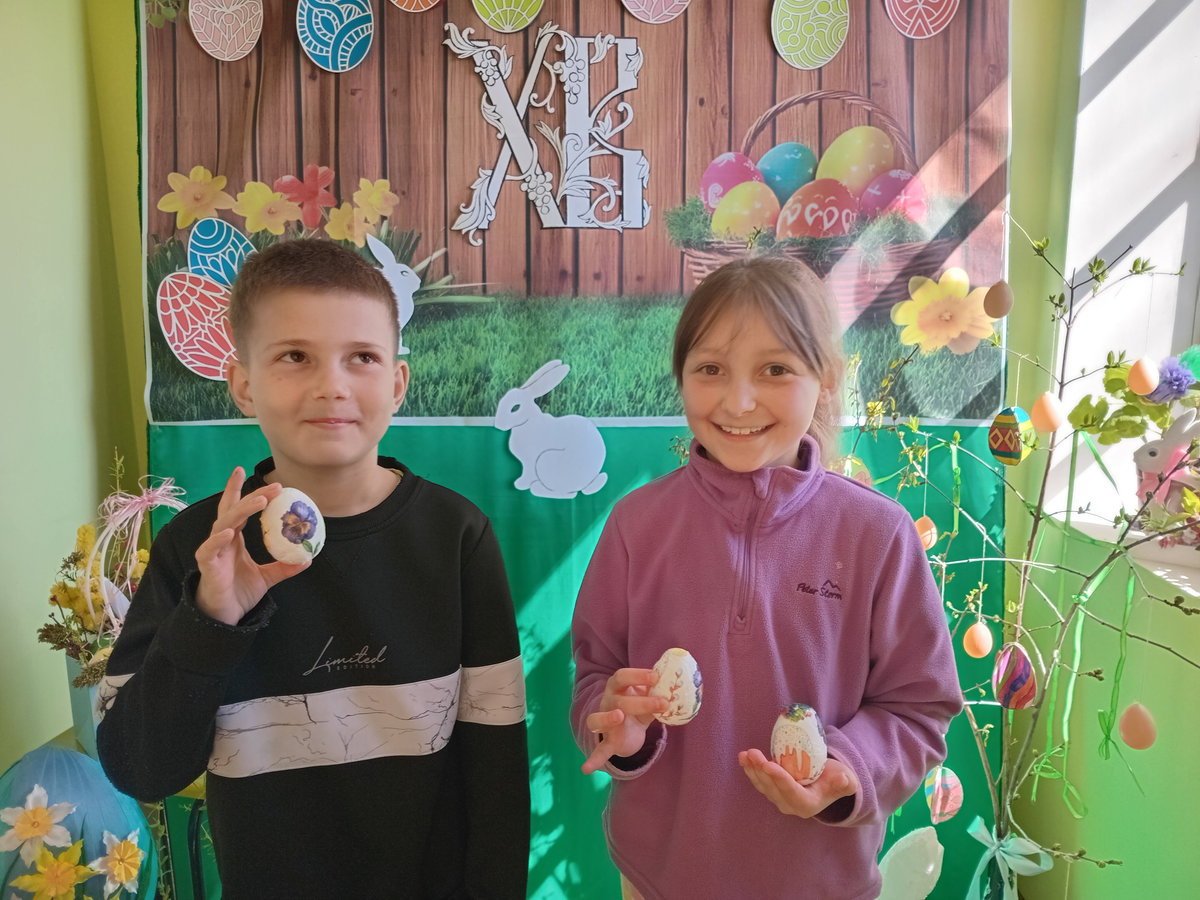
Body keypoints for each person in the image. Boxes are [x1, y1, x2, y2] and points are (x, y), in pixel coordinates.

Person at [97, 238, 530, 898]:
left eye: (362, 357)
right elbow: (140, 768)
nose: (332, 385)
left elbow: (496, 766)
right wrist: (210, 620)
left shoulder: (456, 536)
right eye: (295, 356)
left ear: (397, 384)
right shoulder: (198, 549)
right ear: (243, 385)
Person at [570, 257, 963, 900]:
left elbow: (919, 708)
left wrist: (848, 769)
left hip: (821, 882)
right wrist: (616, 724)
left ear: (826, 379)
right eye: (710, 369)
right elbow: (596, 674)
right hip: (657, 876)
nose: (739, 401)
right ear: (681, 376)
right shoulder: (636, 525)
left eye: (775, 369)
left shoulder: (878, 534)